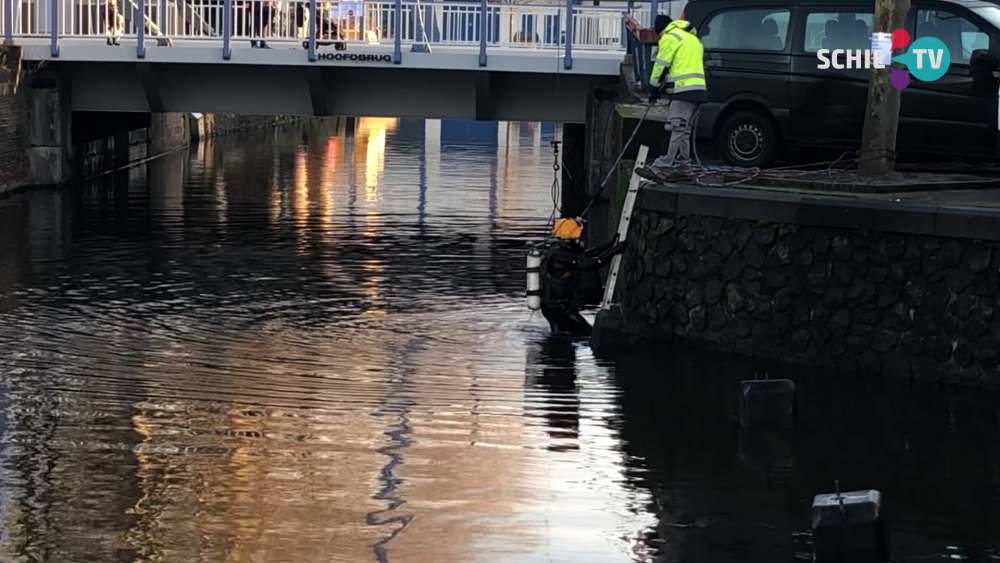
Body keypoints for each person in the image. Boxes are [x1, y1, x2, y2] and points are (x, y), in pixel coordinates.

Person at [636, 14, 708, 182]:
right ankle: (684, 168)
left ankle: (661, 168)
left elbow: (661, 65)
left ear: (659, 30)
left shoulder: (670, 37)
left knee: (675, 128)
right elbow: (682, 64)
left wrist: (653, 88)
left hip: (683, 90)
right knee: (684, 131)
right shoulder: (692, 39)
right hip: (698, 90)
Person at [539, 218, 626, 337]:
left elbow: (587, 255)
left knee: (561, 336)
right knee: (588, 334)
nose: (580, 239)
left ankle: (555, 352)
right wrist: (615, 251)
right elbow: (592, 264)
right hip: (560, 309)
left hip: (551, 306)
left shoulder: (558, 251)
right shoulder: (564, 256)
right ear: (571, 239)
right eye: (578, 237)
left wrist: (609, 245)